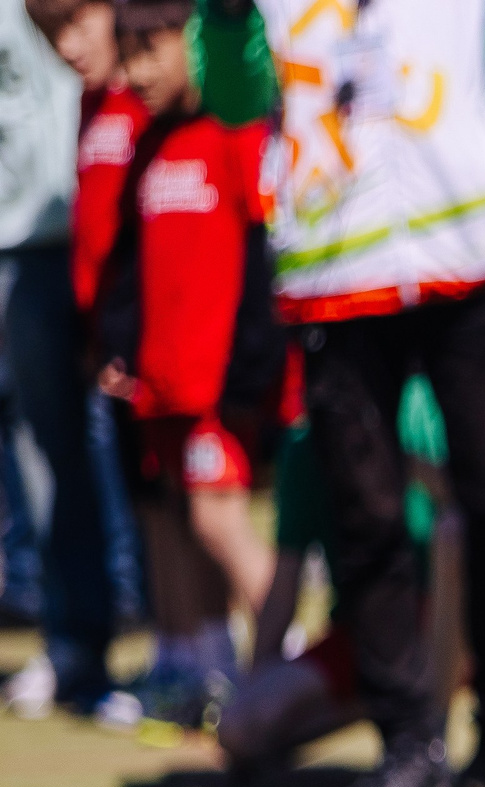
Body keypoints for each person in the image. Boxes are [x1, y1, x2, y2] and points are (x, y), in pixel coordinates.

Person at [195, 0, 485, 787]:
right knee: (367, 518)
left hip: (474, 260)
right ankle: (404, 743)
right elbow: (234, 97)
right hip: (334, 269)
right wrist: (220, 14)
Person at [78, 1, 291, 729]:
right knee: (174, 523)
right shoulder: (152, 140)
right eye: (127, 54)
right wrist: (122, 348)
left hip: (216, 383)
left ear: (194, 45)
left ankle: (287, 667)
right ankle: (210, 672)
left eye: (152, 51)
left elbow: (262, 260)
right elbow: (137, 268)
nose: (136, 71)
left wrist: (246, 376)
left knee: (216, 521)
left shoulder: (232, 135)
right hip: (161, 381)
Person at [3, 0, 121, 721]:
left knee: (88, 448)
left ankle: (101, 641)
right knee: (36, 454)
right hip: (21, 244)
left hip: (78, 234)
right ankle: (70, 642)